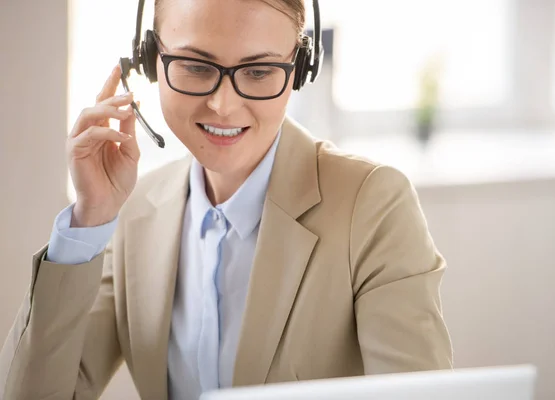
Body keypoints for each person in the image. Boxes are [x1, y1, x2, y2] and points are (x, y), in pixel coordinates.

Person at [0, 0, 453, 398]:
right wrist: (89, 220)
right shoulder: (135, 211)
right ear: (149, 59)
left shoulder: (373, 206)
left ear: (299, 67)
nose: (223, 104)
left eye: (258, 71)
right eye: (197, 66)